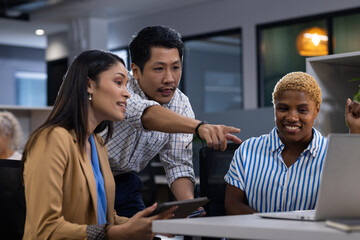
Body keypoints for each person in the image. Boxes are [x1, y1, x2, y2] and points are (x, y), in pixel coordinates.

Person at [21, 50, 175, 240]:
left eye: (126, 85)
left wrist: (150, 225)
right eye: (118, 82)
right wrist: (114, 233)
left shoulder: (98, 144)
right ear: (89, 85)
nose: (127, 93)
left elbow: (106, 217)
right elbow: (45, 229)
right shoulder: (51, 140)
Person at [106, 25, 242, 217]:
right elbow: (145, 114)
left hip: (124, 182)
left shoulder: (180, 104)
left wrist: (189, 205)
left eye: (175, 68)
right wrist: (199, 128)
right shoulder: (120, 88)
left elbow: (178, 164)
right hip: (84, 177)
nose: (169, 79)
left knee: (145, 235)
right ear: (135, 71)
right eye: (159, 69)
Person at [224, 71, 328, 214]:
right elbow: (232, 205)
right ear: (275, 108)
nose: (292, 117)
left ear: (316, 111)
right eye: (283, 108)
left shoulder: (332, 154)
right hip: (257, 236)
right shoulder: (247, 150)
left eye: (302, 110)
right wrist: (270, 231)